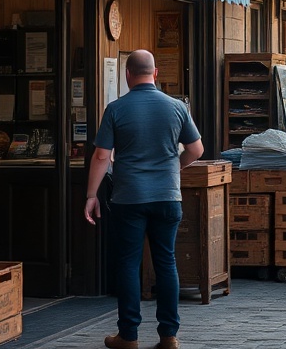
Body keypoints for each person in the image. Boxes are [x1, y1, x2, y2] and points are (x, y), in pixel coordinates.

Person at [84, 50, 204, 349]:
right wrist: (173, 167)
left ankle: (128, 336)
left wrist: (91, 195)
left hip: (129, 198)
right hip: (167, 197)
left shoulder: (116, 109)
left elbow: (101, 155)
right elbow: (196, 149)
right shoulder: (177, 107)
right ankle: (169, 336)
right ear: (156, 73)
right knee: (166, 262)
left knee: (128, 263)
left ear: (127, 75)